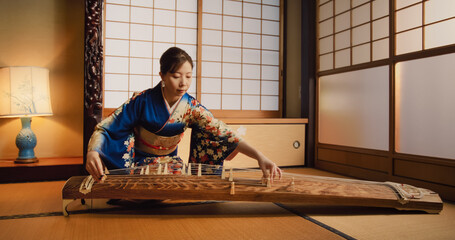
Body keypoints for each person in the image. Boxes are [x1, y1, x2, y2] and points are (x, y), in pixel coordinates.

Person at [86, 47, 281, 182]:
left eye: (188, 77)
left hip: (170, 165)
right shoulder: (142, 101)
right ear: (162, 75)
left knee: (176, 182)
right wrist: (93, 151)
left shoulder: (191, 107)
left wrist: (259, 156)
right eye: (176, 76)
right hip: (138, 164)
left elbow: (223, 132)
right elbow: (107, 126)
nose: (183, 83)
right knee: (144, 187)